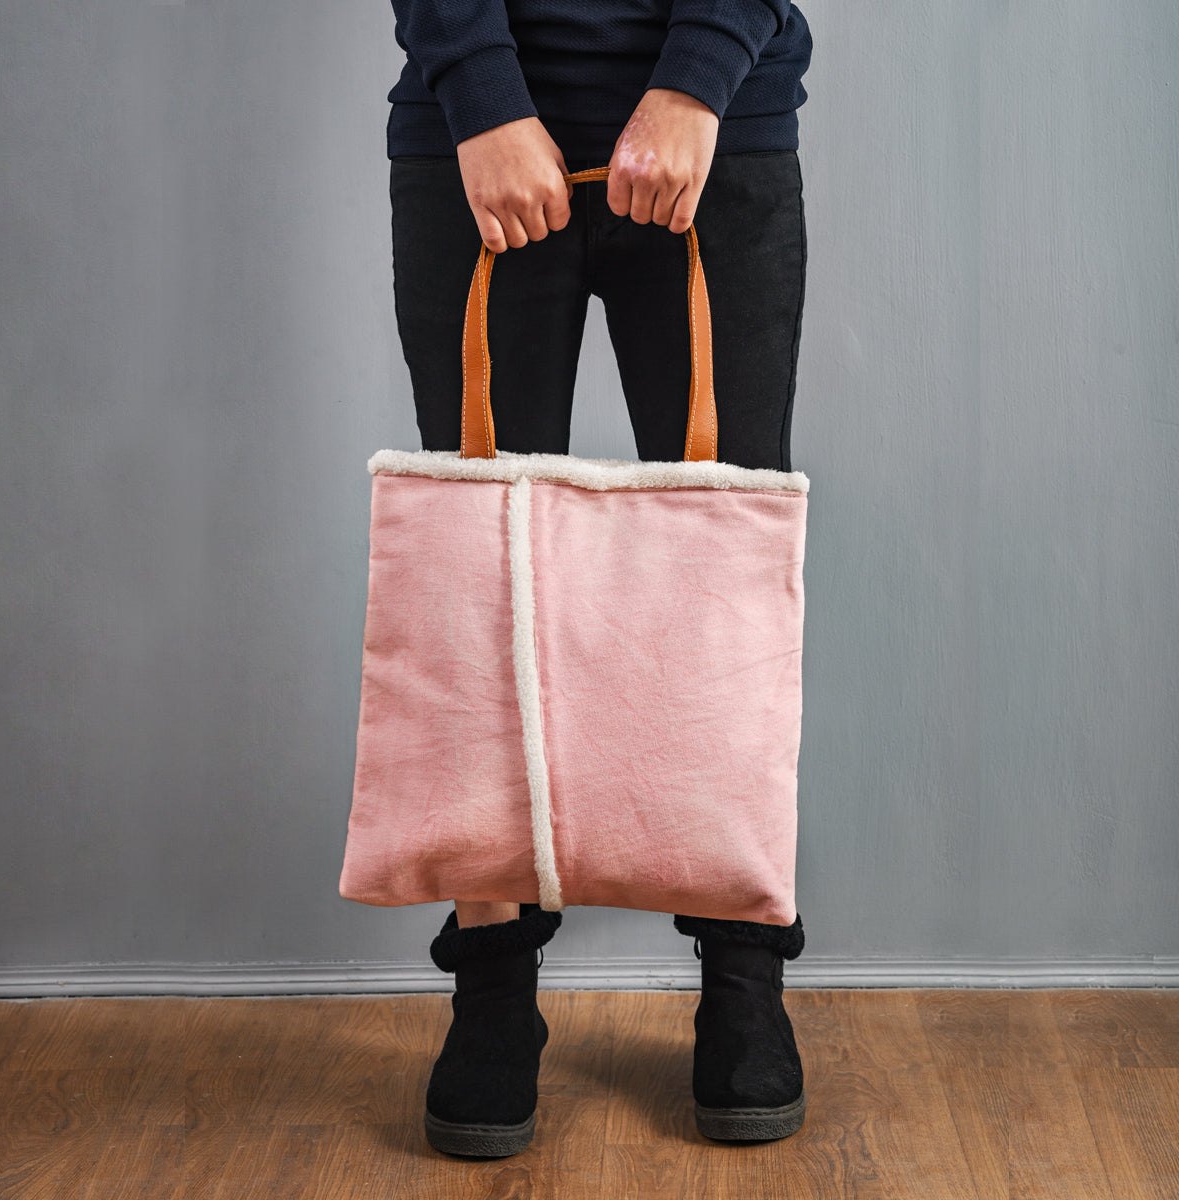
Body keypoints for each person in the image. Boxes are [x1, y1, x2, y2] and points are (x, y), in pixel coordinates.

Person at [384, 0, 813, 1159]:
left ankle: (742, 981)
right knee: (482, 579)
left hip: (715, 132)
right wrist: (479, 93)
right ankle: (493, 989)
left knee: (722, 578)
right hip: (475, 142)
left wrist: (697, 81)